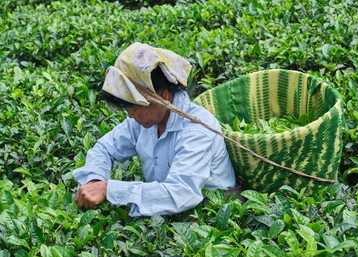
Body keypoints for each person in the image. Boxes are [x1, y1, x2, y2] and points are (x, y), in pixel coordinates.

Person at [72, 42, 237, 217]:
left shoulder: (196, 131)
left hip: (212, 214)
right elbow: (104, 149)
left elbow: (180, 193)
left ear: (163, 96)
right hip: (165, 214)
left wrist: (109, 189)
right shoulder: (142, 121)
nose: (130, 116)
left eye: (134, 109)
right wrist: (95, 180)